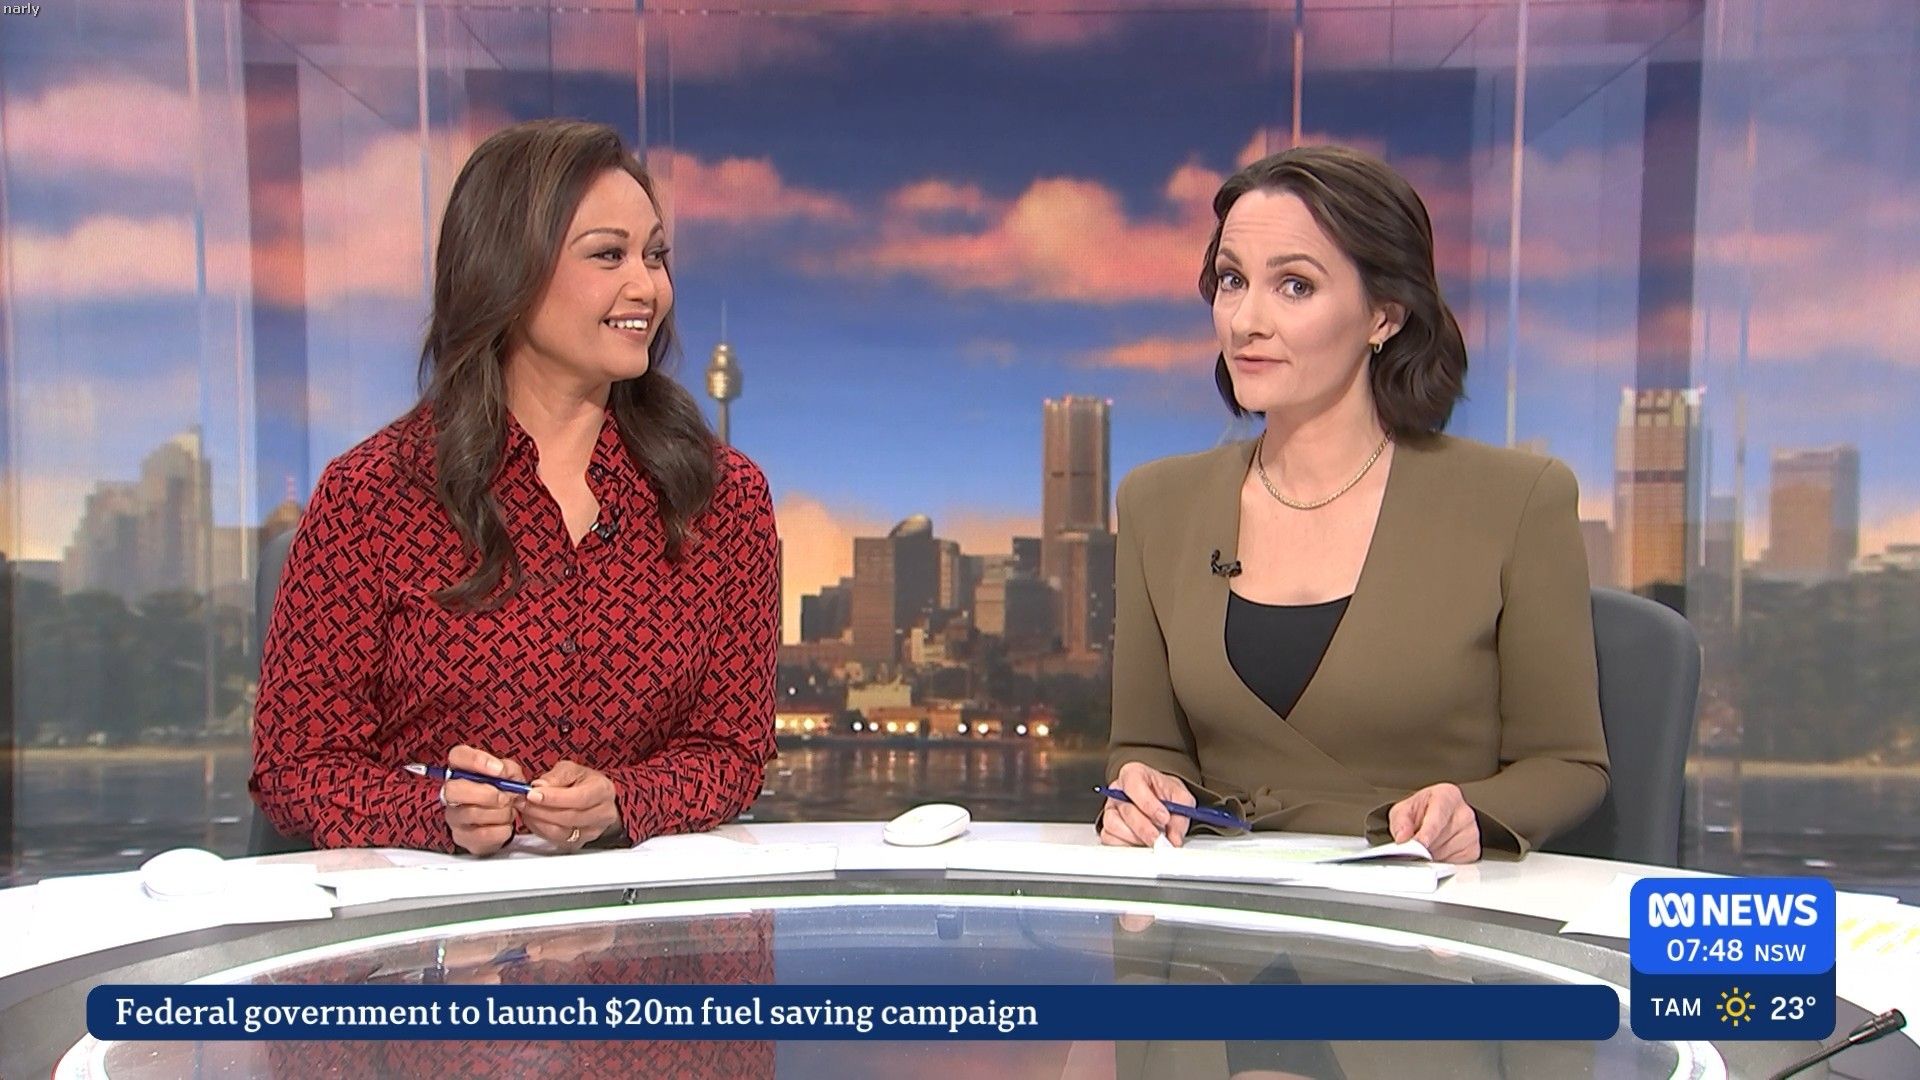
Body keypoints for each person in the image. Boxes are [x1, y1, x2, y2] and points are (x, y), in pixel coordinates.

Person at [250, 119, 779, 855]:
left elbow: (732, 750)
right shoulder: (371, 497)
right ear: (507, 271)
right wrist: (436, 811)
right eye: (609, 255)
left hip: (637, 905)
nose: (647, 287)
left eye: (655, 256)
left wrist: (623, 801)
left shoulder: (724, 500)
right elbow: (296, 766)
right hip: (434, 913)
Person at [1101, 145, 1608, 862]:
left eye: (1295, 286)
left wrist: (1472, 814)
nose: (1245, 320)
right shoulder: (1157, 504)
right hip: (1215, 906)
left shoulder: (1518, 501)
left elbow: (1568, 763)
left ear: (1384, 316)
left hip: (1422, 907)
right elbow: (1147, 745)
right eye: (1232, 280)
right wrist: (1143, 788)